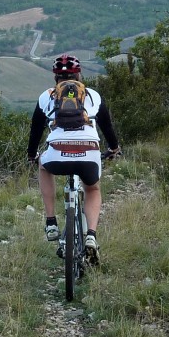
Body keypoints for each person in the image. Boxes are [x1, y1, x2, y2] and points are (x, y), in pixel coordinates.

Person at [27, 54, 121, 264]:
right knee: (92, 189)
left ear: (55, 78)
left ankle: (51, 221)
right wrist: (114, 148)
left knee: (43, 166)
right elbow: (107, 127)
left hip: (57, 152)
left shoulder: (47, 96)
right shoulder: (93, 96)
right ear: (79, 75)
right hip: (89, 152)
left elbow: (35, 130)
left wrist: (31, 155)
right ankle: (91, 236)